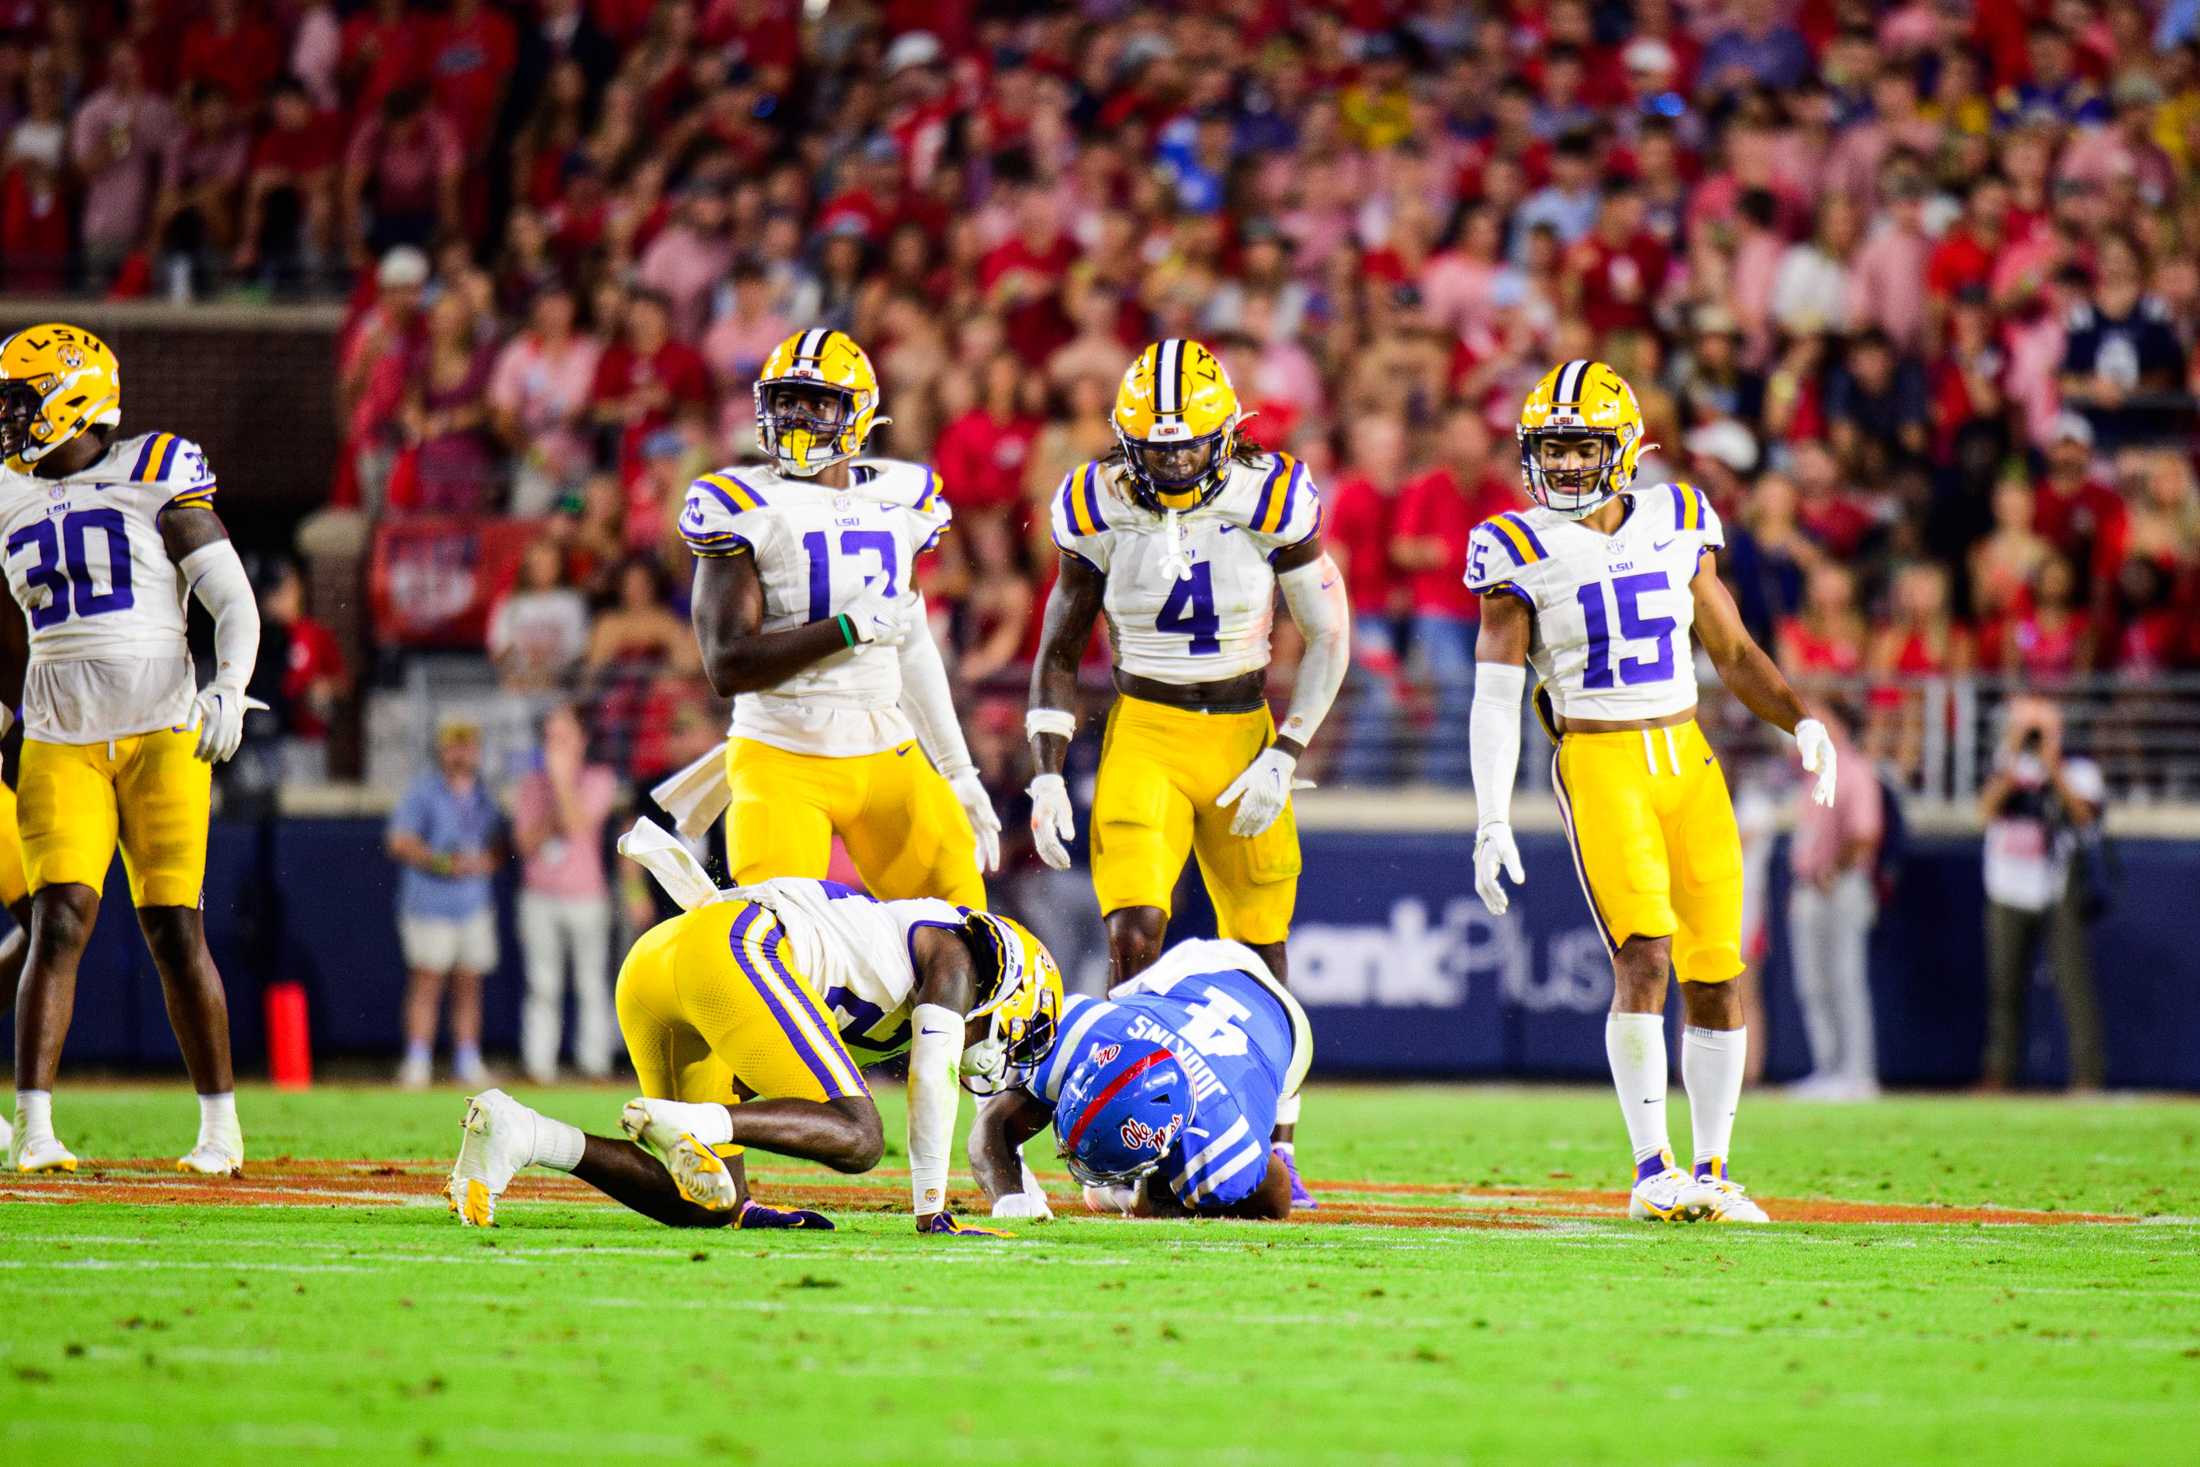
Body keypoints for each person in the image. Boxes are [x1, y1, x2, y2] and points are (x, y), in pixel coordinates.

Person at [1467, 359, 1837, 1225]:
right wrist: (1489, 814)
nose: (1560, 467)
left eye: (1579, 448)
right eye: (1549, 450)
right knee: (1645, 955)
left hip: (1688, 756)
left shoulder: (1676, 516)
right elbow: (1494, 698)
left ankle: (1712, 1167)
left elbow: (1735, 651)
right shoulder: (1514, 546)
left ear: (1624, 446)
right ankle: (1652, 1167)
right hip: (1600, 760)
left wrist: (1801, 719)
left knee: (1716, 968)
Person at [1025, 338, 1350, 1208]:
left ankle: (1279, 1148)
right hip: (1147, 729)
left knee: (1262, 951)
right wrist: (1046, 768)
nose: (1171, 460)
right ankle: (1122, 1140)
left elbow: (1328, 632)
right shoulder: (1095, 503)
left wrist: (1289, 751)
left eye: (1186, 443)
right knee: (1133, 931)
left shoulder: (1271, 496)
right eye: (1155, 445)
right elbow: (1060, 644)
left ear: (1225, 433)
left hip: (1244, 730)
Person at [446, 819, 1063, 1234]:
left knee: (710, 1204)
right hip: (736, 947)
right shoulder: (954, 956)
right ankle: (688, 1125)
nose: (1003, 1050)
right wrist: (932, 1210)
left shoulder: (904, 954)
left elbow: (762, 1046)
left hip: (667, 961)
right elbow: (932, 1077)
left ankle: (522, 1133)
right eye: (1020, 1030)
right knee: (861, 1135)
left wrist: (721, 1120)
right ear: (1011, 988)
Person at [0, 323, 263, 1176]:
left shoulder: (155, 472)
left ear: (72, 396)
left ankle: (219, 1126)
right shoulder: (6, 489)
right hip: (56, 736)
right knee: (58, 919)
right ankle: (34, 1125)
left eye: (20, 398)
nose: (6, 417)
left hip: (160, 733)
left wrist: (228, 686)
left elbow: (232, 599)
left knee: (174, 929)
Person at [660, 329, 999, 908]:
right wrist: (847, 627)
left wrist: (957, 767)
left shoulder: (899, 497)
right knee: (778, 937)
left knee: (960, 923)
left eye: (819, 402)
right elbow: (727, 664)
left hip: (883, 748)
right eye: (787, 400)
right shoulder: (741, 503)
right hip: (782, 750)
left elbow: (911, 643)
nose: (797, 416)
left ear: (859, 413)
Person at [969, 935, 1313, 1222]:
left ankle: (1284, 1141)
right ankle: (1126, 1185)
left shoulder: (1217, 1147)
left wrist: (1145, 1203)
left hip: (1285, 1025)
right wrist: (1010, 1200)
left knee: (1172, 1202)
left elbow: (1274, 1198)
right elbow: (993, 1126)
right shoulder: (1084, 1035)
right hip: (1193, 968)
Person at [1978, 697, 2106, 1091]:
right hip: (2007, 887)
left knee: (2073, 985)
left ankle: (2087, 1076)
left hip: (2056, 886)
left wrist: (2054, 768)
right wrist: (2014, 758)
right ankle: (2000, 1072)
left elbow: (2084, 816)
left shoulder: (2079, 770)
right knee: (2004, 985)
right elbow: (1984, 811)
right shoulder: (2007, 765)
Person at [387, 718, 503, 1089]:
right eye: (455, 745)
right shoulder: (425, 792)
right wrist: (441, 863)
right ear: (442, 749)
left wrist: (487, 861)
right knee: (428, 981)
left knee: (469, 984)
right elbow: (399, 841)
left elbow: (500, 843)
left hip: (472, 902)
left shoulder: (485, 795)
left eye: (468, 745)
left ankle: (467, 1059)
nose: (462, 752)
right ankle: (418, 1059)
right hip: (431, 903)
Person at [510, 705, 620, 1085]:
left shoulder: (599, 779)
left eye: (563, 737)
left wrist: (560, 783)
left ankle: (595, 1063)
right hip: (539, 895)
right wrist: (552, 789)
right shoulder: (529, 784)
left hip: (586, 896)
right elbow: (523, 842)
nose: (554, 746)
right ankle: (539, 1065)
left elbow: (577, 823)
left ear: (581, 741)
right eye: (550, 738)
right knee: (543, 984)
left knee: (591, 982)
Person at [1784, 704, 1883, 1100]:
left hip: (1841, 886)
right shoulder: (1811, 775)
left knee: (1846, 978)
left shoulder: (1856, 771)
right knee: (1813, 983)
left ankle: (1857, 1073)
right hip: (1810, 886)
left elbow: (1865, 834)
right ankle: (1829, 1069)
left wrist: (1833, 869)